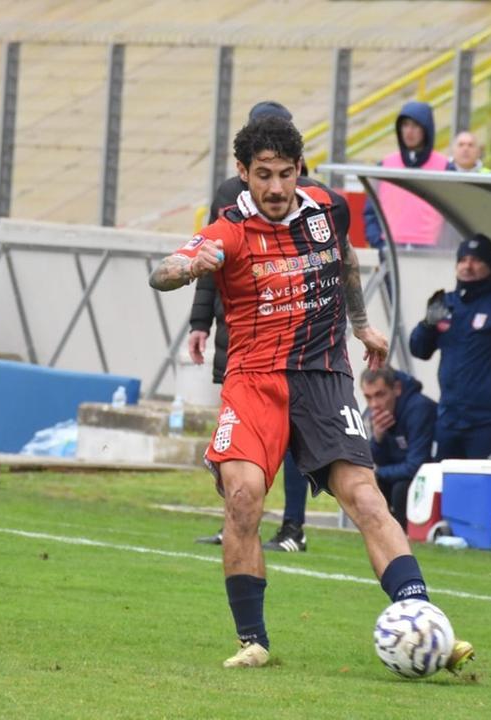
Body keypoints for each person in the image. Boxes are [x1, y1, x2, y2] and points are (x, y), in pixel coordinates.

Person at [149, 116, 472, 671]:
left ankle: (423, 621)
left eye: (285, 173)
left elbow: (343, 257)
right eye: (263, 175)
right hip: (254, 380)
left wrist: (362, 325)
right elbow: (163, 271)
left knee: (366, 498)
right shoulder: (228, 229)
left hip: (322, 375)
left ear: (300, 168)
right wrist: (185, 268)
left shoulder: (326, 208)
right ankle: (253, 641)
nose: (276, 187)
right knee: (244, 497)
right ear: (243, 172)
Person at [190, 100, 316, 553]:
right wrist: (200, 322)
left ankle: (293, 527)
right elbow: (208, 260)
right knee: (239, 437)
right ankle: (238, 523)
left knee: (294, 437)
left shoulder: (310, 196)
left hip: (293, 336)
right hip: (240, 331)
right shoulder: (228, 193)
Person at [410, 232, 491, 461]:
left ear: (489, 265)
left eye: (476, 260)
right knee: (446, 480)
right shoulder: (447, 304)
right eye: (462, 260)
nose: (467, 266)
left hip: (488, 423)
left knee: (484, 481)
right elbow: (419, 350)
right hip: (449, 420)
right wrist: (427, 324)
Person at [362, 100, 454, 249]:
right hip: (390, 248)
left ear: (426, 129)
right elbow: (371, 211)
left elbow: (453, 216)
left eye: (415, 125)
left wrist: (442, 247)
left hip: (431, 251)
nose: (409, 131)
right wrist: (378, 243)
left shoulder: (445, 168)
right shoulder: (385, 166)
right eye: (405, 125)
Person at [360, 366, 437, 528]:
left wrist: (378, 473)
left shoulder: (418, 409)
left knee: (400, 489)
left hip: (429, 477)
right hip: (403, 473)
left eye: (380, 395)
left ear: (397, 389)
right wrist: (378, 438)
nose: (374, 404)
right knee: (369, 486)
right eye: (368, 397)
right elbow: (380, 460)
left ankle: (404, 535)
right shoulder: (381, 415)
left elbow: (416, 466)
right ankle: (377, 532)